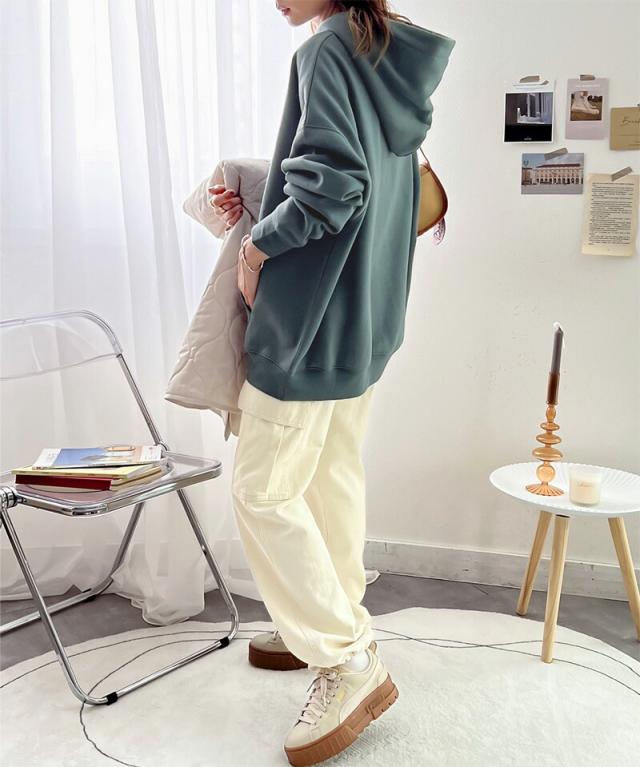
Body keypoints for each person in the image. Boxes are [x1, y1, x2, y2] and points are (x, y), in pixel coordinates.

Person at [210, 2, 455, 764]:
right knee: (327, 477)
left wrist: (257, 246)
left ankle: (345, 657)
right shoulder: (383, 53)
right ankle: (323, 616)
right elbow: (375, 180)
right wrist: (266, 184)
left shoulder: (324, 53)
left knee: (260, 488)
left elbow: (332, 187)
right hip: (366, 318)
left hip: (310, 322)